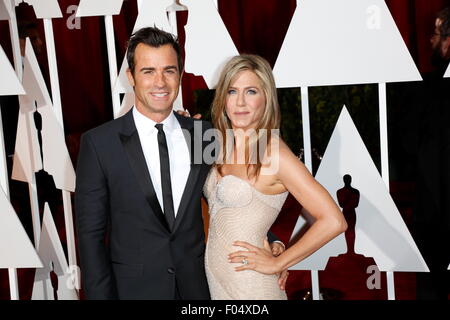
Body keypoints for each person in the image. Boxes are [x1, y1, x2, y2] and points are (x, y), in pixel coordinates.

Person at [75, 27, 285, 300]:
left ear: (180, 75)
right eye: (148, 71)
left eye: (169, 70)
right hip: (134, 291)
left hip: (198, 288)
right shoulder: (100, 144)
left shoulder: (203, 135)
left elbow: (229, 194)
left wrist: (271, 242)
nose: (160, 82)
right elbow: (90, 237)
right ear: (131, 77)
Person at [203, 54, 347, 300]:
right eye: (232, 91)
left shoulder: (273, 152)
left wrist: (277, 264)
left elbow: (334, 221)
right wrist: (276, 242)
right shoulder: (218, 142)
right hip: (216, 284)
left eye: (251, 91)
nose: (240, 103)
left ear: (266, 98)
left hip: (252, 287)